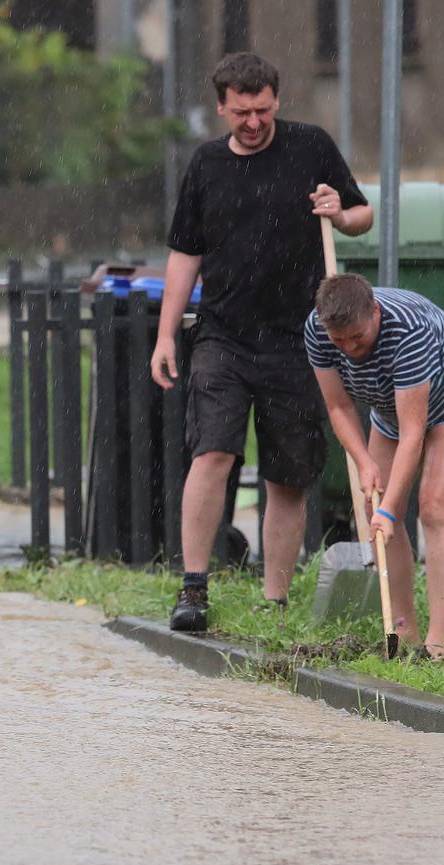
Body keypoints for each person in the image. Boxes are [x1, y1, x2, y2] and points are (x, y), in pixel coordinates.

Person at [152, 52, 372, 633]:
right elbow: (184, 254)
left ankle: (274, 599)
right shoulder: (204, 165)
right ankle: (194, 587)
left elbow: (362, 214)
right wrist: (165, 334)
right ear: (222, 106)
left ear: (276, 100)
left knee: (288, 473)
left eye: (263, 110)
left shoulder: (311, 147)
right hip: (222, 336)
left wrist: (339, 213)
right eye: (242, 112)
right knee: (213, 454)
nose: (253, 122)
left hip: (299, 340)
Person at [305, 273, 444, 659]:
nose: (349, 349)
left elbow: (415, 434)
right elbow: (339, 407)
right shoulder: (317, 329)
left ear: (375, 312)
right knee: (371, 506)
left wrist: (391, 510)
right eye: (339, 341)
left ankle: (438, 644)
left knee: (433, 506)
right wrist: (363, 463)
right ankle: (404, 634)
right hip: (391, 407)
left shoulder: (410, 332)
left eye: (357, 338)